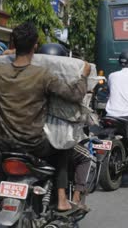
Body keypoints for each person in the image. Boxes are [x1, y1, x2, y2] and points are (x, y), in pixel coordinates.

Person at [0, 22, 91, 212]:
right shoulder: (43, 75)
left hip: (2, 142)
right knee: (63, 149)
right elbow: (75, 95)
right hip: (33, 143)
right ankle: (61, 199)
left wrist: (2, 57)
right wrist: (83, 76)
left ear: (13, 44)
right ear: (35, 45)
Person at [37, 43, 92, 206]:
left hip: (28, 137)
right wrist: (83, 76)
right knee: (84, 157)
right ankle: (75, 198)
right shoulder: (56, 84)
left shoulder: (30, 80)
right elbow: (76, 95)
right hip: (52, 140)